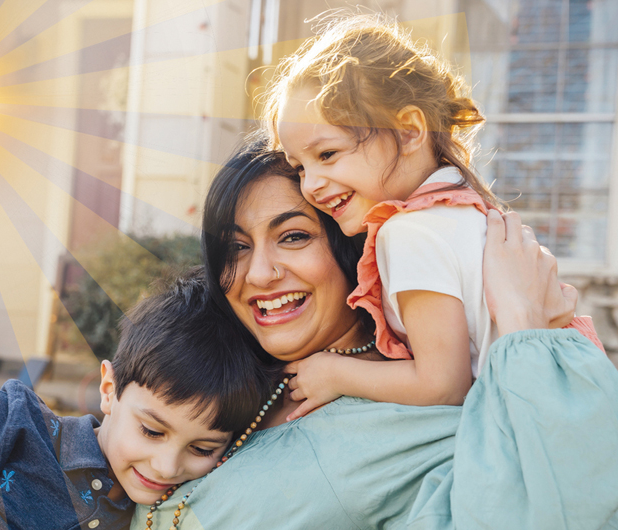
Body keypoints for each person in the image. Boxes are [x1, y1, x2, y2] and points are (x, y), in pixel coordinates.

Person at [0, 140, 617, 529]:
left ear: (353, 255)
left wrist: (526, 335)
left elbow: (564, 502)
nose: (259, 273)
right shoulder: (235, 382)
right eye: (235, 245)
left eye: (294, 235)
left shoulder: (421, 404)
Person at [258, 13, 605, 415]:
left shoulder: (410, 233)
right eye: (300, 167)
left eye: (328, 154)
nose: (311, 184)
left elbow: (442, 384)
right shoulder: (459, 207)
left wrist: (335, 374)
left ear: (408, 131)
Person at [0, 271, 273, 530]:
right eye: (151, 430)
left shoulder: (156, 514)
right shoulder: (16, 424)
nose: (167, 466)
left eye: (202, 448)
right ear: (109, 389)